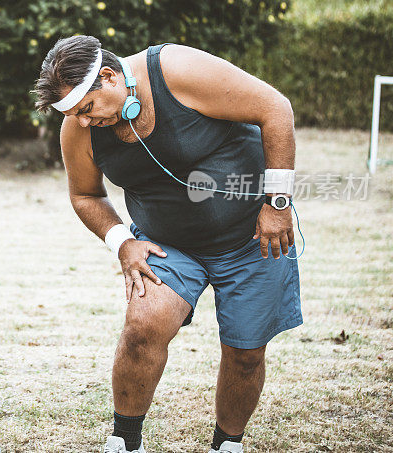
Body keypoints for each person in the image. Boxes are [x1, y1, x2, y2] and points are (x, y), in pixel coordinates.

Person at [33, 35, 302, 453]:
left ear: (108, 76)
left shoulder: (174, 69)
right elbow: (85, 194)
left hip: (252, 236)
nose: (82, 122)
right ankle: (125, 442)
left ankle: (227, 445)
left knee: (245, 351)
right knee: (143, 327)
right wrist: (121, 241)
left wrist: (278, 204)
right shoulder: (80, 131)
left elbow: (275, 108)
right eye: (72, 115)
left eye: (86, 109)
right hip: (167, 244)